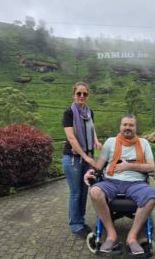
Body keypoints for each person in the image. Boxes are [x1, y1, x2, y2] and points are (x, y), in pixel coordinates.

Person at [84, 114, 155, 255]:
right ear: (120, 126)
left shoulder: (144, 143)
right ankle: (111, 235)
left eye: (131, 125)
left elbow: (151, 167)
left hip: (136, 183)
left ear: (135, 127)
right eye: (125, 124)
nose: (127, 128)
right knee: (94, 191)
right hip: (111, 181)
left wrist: (129, 166)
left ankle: (132, 237)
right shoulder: (111, 142)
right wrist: (90, 171)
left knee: (152, 196)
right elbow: (99, 165)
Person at [62, 81, 102, 238]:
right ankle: (75, 224)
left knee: (85, 191)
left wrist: (96, 141)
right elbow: (71, 138)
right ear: (73, 95)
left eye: (84, 93)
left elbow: (92, 129)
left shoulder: (89, 112)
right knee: (76, 192)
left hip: (87, 157)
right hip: (73, 158)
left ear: (87, 95)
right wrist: (85, 156)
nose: (82, 96)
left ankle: (81, 220)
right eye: (79, 93)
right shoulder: (69, 113)